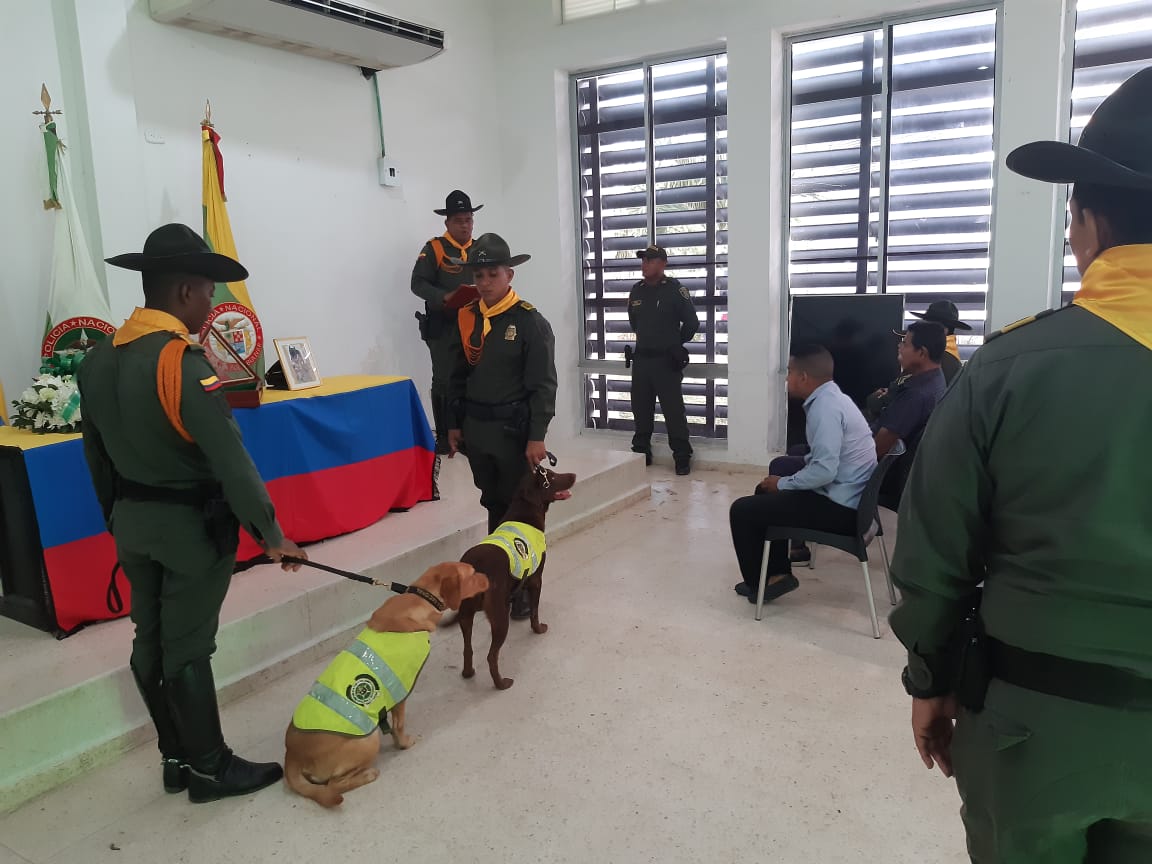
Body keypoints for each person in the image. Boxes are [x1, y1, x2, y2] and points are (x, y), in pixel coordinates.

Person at [890, 67, 1152, 862]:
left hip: (1032, 727)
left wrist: (930, 680)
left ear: (1089, 221)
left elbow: (933, 555)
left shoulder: (1007, 370)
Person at [77, 223, 306, 804]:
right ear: (184, 291)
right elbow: (230, 459)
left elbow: (95, 456)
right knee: (187, 647)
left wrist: (117, 519)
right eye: (208, 291)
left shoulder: (98, 360)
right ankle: (210, 769)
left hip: (132, 524)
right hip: (189, 533)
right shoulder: (181, 362)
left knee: (149, 639)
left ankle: (176, 757)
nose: (210, 303)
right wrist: (271, 534)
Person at [447, 233, 557, 620]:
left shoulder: (529, 322)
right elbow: (455, 376)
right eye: (478, 275)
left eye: (492, 274)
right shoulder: (468, 318)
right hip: (478, 431)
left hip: (514, 434)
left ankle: (523, 586)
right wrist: (453, 424)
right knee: (494, 505)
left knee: (520, 510)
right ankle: (497, 579)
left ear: (509, 274)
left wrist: (537, 436)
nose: (484, 282)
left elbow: (543, 385)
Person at [728, 345, 876, 603]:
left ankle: (760, 584)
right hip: (850, 499)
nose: (787, 378)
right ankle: (775, 575)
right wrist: (783, 483)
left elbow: (824, 471)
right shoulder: (834, 398)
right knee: (764, 492)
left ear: (804, 377)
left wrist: (784, 483)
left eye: (790, 372)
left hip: (842, 510)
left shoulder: (825, 409)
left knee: (741, 510)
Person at [411, 190, 482, 499]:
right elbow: (418, 283)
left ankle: (467, 434)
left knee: (474, 378)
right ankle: (443, 436)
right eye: (459, 220)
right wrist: (444, 297)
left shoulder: (480, 248)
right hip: (445, 327)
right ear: (448, 222)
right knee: (444, 380)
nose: (466, 225)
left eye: (469, 219)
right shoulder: (435, 249)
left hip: (476, 324)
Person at [627, 244, 699, 475]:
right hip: (642, 360)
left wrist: (675, 343)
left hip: (666, 362)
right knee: (641, 409)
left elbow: (692, 322)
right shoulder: (637, 291)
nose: (644, 264)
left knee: (673, 411)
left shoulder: (675, 290)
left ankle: (681, 457)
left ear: (663, 263)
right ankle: (641, 453)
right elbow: (634, 323)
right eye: (643, 260)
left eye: (650, 260)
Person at [866, 300, 966, 422]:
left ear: (942, 330)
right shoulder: (951, 359)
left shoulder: (931, 359)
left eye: (926, 325)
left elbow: (891, 401)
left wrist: (879, 397)